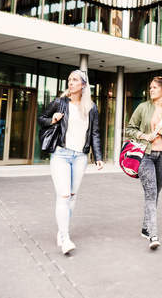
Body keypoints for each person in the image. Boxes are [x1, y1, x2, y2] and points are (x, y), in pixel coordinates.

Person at [38, 69, 104, 254]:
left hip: (80, 157)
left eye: (75, 80)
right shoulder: (60, 103)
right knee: (64, 195)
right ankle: (65, 238)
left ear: (83, 84)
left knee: (73, 196)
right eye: (69, 80)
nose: (71, 83)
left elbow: (95, 133)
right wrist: (52, 119)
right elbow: (41, 119)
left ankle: (61, 230)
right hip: (61, 154)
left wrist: (98, 157)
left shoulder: (91, 107)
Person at [125, 76, 162, 250]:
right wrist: (144, 136)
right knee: (150, 193)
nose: (151, 90)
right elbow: (129, 129)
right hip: (145, 156)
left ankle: (145, 227)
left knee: (154, 194)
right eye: (150, 88)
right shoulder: (143, 108)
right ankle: (153, 235)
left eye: (154, 88)